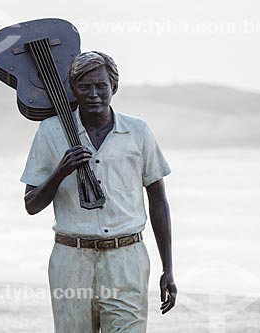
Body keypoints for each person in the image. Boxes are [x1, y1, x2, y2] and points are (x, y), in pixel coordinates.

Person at [21, 51, 177, 332]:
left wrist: (168, 268)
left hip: (126, 259)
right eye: (85, 87)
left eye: (101, 86)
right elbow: (31, 204)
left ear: (113, 87)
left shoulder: (137, 131)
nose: (94, 94)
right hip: (71, 260)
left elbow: (158, 199)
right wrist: (61, 171)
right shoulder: (50, 132)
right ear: (73, 89)